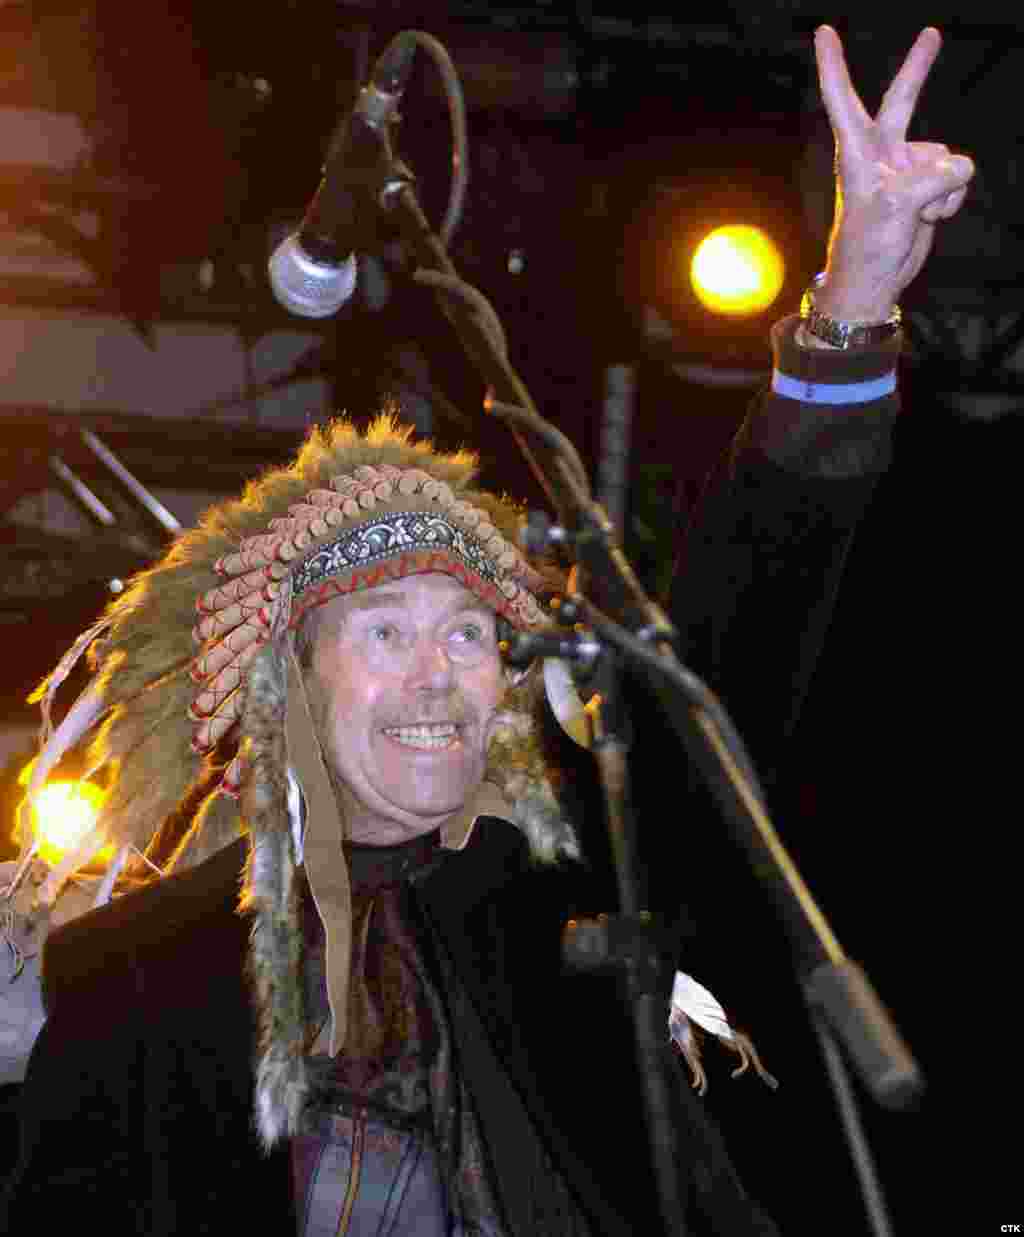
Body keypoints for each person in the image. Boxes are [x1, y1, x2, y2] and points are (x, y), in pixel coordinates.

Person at [0, 25, 971, 1236]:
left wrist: (853, 301)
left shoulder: (565, 900)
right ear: (286, 684)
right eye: (388, 630)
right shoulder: (139, 978)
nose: (441, 672)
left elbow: (732, 631)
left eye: (470, 635)